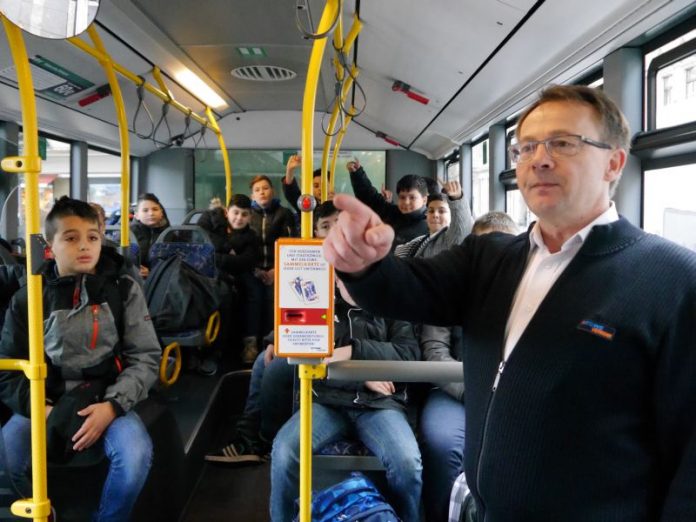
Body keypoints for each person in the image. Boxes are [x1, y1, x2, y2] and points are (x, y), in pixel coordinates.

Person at [323, 85, 696, 520]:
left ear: (614, 162)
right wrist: (366, 266)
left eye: (563, 143)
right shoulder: (492, 257)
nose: (539, 158)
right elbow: (406, 289)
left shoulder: (671, 280)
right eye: (525, 147)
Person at [0, 197, 160, 521]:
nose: (84, 246)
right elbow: (8, 369)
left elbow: (144, 357)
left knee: (135, 454)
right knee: (10, 449)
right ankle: (47, 512)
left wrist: (112, 407)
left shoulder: (122, 289)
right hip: (47, 398)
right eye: (71, 238)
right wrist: (42, 409)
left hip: (105, 395)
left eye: (92, 237)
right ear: (50, 246)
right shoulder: (28, 297)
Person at [270, 275, 422, 522]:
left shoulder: (392, 306)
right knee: (285, 450)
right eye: (343, 280)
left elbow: (408, 354)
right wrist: (362, 377)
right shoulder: (321, 308)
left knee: (407, 463)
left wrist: (353, 350)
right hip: (328, 403)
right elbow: (314, 365)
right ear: (335, 281)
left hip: (379, 406)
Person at [205, 201, 339, 464]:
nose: (333, 231)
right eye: (325, 226)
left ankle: (265, 439)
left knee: (278, 367)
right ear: (316, 232)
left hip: (339, 347)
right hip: (313, 338)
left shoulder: (359, 263)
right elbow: (296, 308)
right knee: (261, 361)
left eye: (339, 224)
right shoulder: (314, 262)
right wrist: (275, 339)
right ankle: (249, 437)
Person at [418, 213, 517, 522]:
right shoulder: (453, 291)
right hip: (454, 392)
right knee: (444, 444)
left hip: (510, 396)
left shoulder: (529, 292)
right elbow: (434, 351)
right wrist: (473, 388)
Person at [198, 194, 263, 363]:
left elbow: (244, 262)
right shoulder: (211, 219)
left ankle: (250, 341)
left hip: (234, 272)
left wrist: (218, 256)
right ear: (227, 212)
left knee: (254, 290)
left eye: (244, 214)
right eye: (236, 213)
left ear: (250, 216)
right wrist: (226, 249)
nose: (239, 218)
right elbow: (202, 240)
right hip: (206, 270)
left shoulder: (251, 237)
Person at [248, 175, 296, 357]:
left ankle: (272, 343)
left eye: (265, 188)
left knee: (273, 299)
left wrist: (277, 270)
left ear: (273, 191)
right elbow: (244, 247)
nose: (262, 192)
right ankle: (250, 343)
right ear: (252, 195)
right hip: (253, 270)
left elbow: (290, 243)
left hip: (279, 269)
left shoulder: (284, 214)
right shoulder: (248, 215)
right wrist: (257, 271)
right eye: (257, 190)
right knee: (252, 298)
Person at [347, 159, 429, 246]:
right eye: (402, 197)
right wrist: (357, 174)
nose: (406, 202)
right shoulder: (394, 213)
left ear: (424, 200)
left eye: (412, 198)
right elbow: (371, 199)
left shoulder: (431, 224)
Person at [394, 180, 473, 258]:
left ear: (452, 215)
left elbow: (461, 229)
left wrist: (456, 198)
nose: (435, 215)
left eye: (442, 211)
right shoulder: (418, 242)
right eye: (431, 211)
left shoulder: (452, 239)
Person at [130, 193, 170, 278]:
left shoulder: (171, 234)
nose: (151, 213)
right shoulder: (127, 234)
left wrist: (152, 273)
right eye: (145, 210)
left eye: (155, 209)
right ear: (136, 215)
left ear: (161, 213)